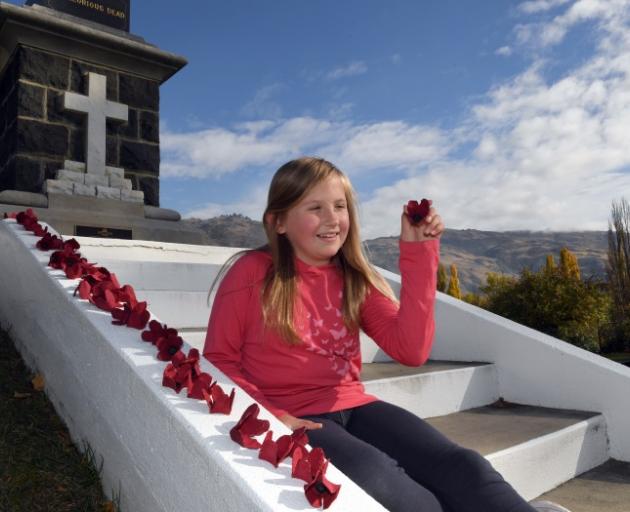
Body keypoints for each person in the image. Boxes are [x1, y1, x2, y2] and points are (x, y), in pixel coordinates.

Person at [203, 157, 571, 512]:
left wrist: (418, 253)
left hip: (355, 406)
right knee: (374, 475)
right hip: (297, 414)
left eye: (340, 206)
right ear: (278, 221)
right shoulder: (252, 272)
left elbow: (411, 350)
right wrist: (272, 415)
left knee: (462, 465)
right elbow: (220, 358)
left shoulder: (354, 279)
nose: (333, 219)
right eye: (315, 208)